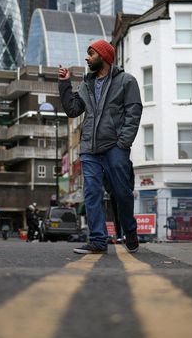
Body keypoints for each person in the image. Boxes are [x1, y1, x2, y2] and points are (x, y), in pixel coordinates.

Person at [59, 39, 143, 254]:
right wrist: (65, 84)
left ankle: (130, 230)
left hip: (115, 146)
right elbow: (72, 110)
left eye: (91, 53)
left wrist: (123, 142)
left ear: (104, 57)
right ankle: (98, 240)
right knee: (92, 193)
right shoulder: (85, 85)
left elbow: (133, 112)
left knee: (122, 193)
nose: (87, 58)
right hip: (90, 148)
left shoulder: (126, 81)